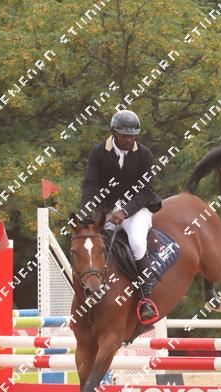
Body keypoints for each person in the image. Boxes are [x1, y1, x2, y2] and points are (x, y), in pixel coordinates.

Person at [79, 110, 163, 323]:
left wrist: (125, 211)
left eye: (134, 136)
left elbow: (147, 191)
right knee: (95, 244)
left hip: (137, 209)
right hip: (108, 210)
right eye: (126, 136)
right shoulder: (98, 153)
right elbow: (90, 186)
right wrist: (86, 214)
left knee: (136, 243)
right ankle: (94, 290)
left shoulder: (144, 154)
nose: (130, 140)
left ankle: (146, 299)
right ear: (114, 133)